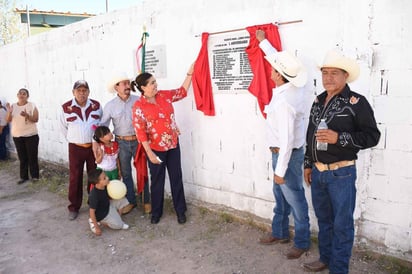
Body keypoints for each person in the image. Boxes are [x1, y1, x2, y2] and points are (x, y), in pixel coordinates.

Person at [302, 50, 381, 273]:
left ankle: (338, 268)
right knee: (324, 221)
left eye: (334, 73)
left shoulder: (357, 102)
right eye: (325, 73)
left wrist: (340, 138)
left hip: (342, 174)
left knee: (342, 225)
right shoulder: (318, 101)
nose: (328, 77)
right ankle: (325, 258)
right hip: (318, 173)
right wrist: (308, 163)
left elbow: (372, 136)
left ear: (345, 76)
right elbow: (310, 135)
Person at [256, 30, 311, 259]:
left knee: (294, 198)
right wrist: (264, 43)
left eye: (274, 70)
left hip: (285, 154)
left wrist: (280, 170)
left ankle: (302, 241)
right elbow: (280, 61)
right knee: (280, 195)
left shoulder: (285, 101)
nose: (270, 71)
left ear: (279, 75)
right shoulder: (287, 88)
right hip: (281, 153)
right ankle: (280, 232)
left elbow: (287, 140)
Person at [131, 63, 194, 224]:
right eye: (152, 83)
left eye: (155, 82)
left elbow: (182, 92)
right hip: (155, 149)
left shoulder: (164, 96)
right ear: (143, 88)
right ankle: (156, 212)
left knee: (176, 177)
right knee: (157, 181)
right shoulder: (139, 106)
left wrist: (189, 73)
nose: (155, 85)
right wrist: (149, 153)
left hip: (173, 145)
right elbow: (140, 132)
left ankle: (180, 210)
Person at [98, 72, 151, 214]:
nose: (128, 86)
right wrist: (102, 143)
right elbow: (103, 126)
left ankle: (146, 201)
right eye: (124, 84)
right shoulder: (110, 106)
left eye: (128, 83)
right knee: (126, 173)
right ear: (116, 87)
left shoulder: (139, 100)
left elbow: (147, 119)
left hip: (139, 142)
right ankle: (131, 202)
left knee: (142, 171)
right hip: (121, 143)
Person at [60, 80, 102, 220]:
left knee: (94, 176)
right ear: (73, 92)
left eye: (84, 90)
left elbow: (101, 125)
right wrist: (75, 139)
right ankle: (74, 207)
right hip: (75, 148)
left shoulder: (96, 106)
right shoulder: (66, 107)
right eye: (79, 90)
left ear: (88, 92)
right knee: (75, 177)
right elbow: (63, 128)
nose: (82, 93)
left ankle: (93, 204)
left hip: (93, 147)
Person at [5, 88, 39, 183]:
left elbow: (36, 119)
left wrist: (27, 115)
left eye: (24, 94)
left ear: (27, 96)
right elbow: (8, 120)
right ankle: (23, 177)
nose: (21, 95)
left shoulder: (32, 105)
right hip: (17, 136)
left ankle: (35, 176)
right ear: (17, 95)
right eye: (20, 93)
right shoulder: (13, 106)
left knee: (32, 156)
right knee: (22, 157)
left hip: (31, 135)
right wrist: (9, 111)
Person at [88, 169, 130, 236]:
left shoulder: (105, 186)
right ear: (98, 183)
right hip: (103, 214)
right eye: (104, 178)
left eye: (106, 176)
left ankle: (117, 218)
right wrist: (97, 227)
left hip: (108, 205)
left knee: (123, 200)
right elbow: (91, 212)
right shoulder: (94, 195)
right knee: (119, 225)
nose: (107, 178)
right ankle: (98, 222)